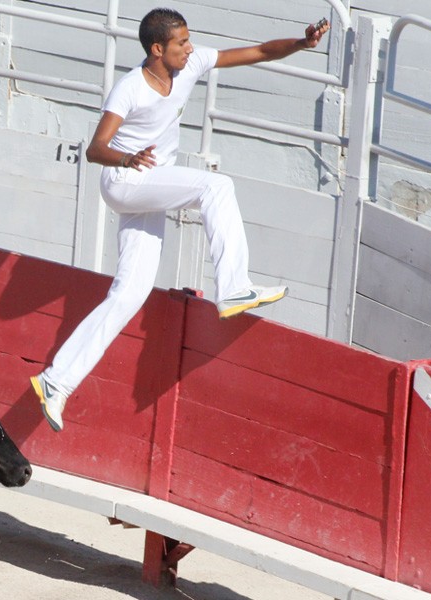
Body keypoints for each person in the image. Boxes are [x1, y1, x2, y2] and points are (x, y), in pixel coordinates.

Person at [32, 9, 330, 432]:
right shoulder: (129, 89)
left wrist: (301, 44)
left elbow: (261, 51)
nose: (190, 49)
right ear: (158, 49)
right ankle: (233, 288)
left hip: (149, 186)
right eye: (181, 43)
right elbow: (95, 149)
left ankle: (55, 382)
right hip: (125, 179)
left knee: (129, 293)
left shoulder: (192, 65)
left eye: (190, 41)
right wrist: (128, 157)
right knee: (216, 186)